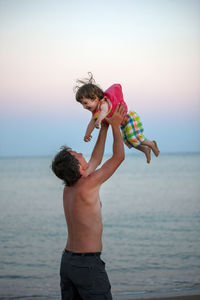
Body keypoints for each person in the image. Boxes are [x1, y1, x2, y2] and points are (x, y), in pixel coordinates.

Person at [51, 104, 126, 299]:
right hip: (87, 265)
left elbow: (96, 158)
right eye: (77, 154)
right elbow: (118, 157)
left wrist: (105, 128)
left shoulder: (69, 189)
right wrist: (117, 126)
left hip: (68, 262)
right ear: (78, 167)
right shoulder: (88, 184)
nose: (81, 153)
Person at [75, 73, 160, 164]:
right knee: (127, 141)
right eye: (82, 104)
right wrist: (87, 134)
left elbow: (104, 111)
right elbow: (91, 122)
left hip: (129, 118)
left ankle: (151, 144)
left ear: (95, 99)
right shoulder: (95, 112)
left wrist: (99, 120)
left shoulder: (103, 103)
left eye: (85, 103)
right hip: (123, 123)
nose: (84, 107)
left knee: (133, 137)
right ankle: (145, 150)